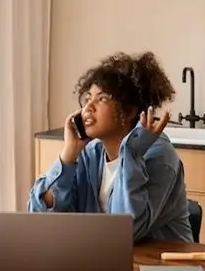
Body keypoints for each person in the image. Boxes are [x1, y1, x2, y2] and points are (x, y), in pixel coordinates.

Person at [28, 51, 193, 243]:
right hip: (100, 263)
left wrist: (131, 153)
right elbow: (39, 216)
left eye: (102, 99)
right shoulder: (90, 153)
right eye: (88, 97)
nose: (88, 107)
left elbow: (125, 231)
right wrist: (68, 155)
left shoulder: (160, 157)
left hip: (161, 268)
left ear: (130, 111)